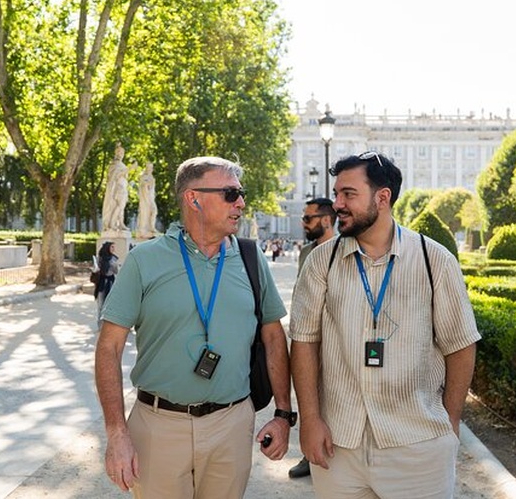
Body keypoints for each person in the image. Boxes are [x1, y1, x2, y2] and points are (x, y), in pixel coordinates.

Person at [95, 156, 295, 498]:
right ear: (194, 198)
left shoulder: (250, 258)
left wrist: (283, 413)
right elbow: (109, 348)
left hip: (232, 425)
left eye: (241, 193)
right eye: (231, 193)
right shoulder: (145, 260)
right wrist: (117, 433)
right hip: (158, 426)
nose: (241, 203)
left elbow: (274, 338)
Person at [290, 152, 480, 498]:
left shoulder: (433, 259)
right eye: (336, 194)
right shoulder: (321, 261)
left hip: (418, 445)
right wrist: (310, 420)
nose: (337, 205)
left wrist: (449, 423)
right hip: (338, 446)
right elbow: (304, 342)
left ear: (383, 197)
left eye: (349, 194)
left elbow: (461, 345)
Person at [288, 197, 336, 479]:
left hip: (333, 336)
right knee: (306, 391)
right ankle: (309, 454)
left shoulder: (343, 249)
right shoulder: (307, 252)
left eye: (308, 219)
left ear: (327, 220)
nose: (303, 223)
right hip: (307, 335)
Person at [101, 143, 129, 231]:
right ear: (116, 153)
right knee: (119, 205)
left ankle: (120, 223)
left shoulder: (123, 165)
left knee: (122, 206)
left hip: (123, 188)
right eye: (119, 152)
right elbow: (115, 176)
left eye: (122, 153)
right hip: (117, 189)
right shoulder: (114, 165)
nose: (121, 154)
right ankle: (112, 223)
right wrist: (130, 168)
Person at [94, 241, 119, 329]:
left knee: (110, 304)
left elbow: (116, 271)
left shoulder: (114, 258)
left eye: (114, 247)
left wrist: (115, 266)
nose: (113, 249)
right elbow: (96, 269)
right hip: (101, 283)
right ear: (107, 248)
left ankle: (109, 325)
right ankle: (100, 325)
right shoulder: (100, 258)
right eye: (112, 247)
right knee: (100, 304)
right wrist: (95, 269)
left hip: (111, 282)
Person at [136, 161, 157, 238]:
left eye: (151, 168)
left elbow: (152, 189)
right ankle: (145, 229)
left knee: (154, 211)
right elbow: (142, 187)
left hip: (151, 198)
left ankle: (151, 227)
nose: (149, 169)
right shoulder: (143, 177)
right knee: (145, 213)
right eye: (148, 167)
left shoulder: (152, 177)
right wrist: (147, 184)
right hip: (145, 199)